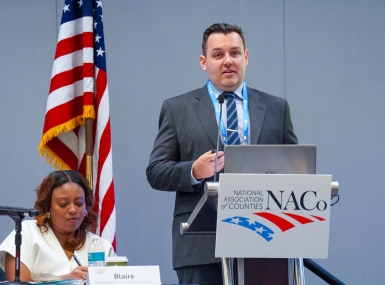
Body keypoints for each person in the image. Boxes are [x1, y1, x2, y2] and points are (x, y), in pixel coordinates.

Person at [146, 23, 298, 285]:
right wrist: (193, 171)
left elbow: (296, 171)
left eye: (235, 53)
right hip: (201, 246)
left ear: (246, 57)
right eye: (218, 55)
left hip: (265, 241)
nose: (228, 61)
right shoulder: (177, 109)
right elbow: (156, 171)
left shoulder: (276, 108)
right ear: (203, 62)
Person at [0, 170, 115, 281]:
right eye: (63, 204)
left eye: (79, 203)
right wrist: (66, 279)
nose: (73, 210)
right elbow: (19, 282)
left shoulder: (100, 245)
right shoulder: (27, 232)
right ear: (48, 207)